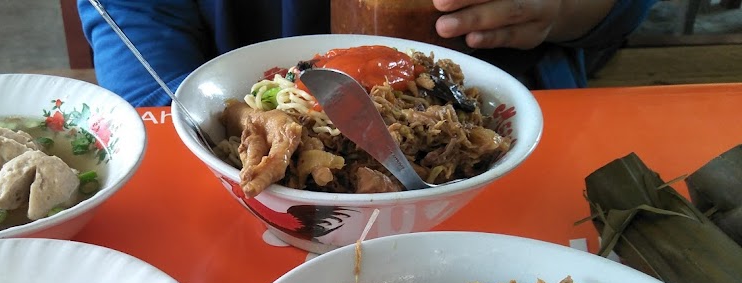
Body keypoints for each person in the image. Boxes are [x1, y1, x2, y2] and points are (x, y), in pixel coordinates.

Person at [76, 0, 656, 107]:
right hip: (256, 195)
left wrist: (562, 9)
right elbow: (135, 31)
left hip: (526, 125)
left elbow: (624, 10)